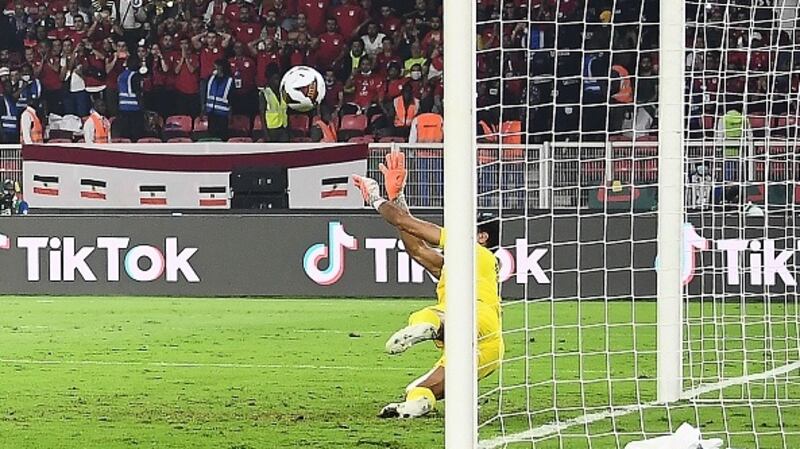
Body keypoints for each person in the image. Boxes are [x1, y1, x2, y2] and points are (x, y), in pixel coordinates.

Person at [352, 151, 504, 418]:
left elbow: (404, 222)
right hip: (490, 346)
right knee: (419, 389)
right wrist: (398, 197)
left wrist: (376, 197)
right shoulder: (465, 265)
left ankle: (429, 327)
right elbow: (417, 249)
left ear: (482, 236)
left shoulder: (475, 251)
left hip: (473, 318)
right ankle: (415, 405)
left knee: (427, 315)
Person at [116, 55, 144, 141]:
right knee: (135, 136)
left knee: (125, 135)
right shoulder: (135, 75)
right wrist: (142, 107)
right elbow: (138, 92)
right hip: (134, 109)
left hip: (122, 108)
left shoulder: (121, 76)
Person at [204, 59, 234, 141]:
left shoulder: (229, 81)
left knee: (222, 138)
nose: (214, 68)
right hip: (211, 113)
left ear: (221, 67)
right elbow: (206, 95)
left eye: (216, 66)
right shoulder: (210, 79)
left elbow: (232, 99)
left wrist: (230, 115)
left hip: (223, 115)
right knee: (211, 138)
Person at [258, 69, 289, 142]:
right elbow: (262, 115)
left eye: (278, 79)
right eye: (275, 79)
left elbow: (286, 111)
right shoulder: (265, 94)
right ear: (269, 79)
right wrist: (266, 135)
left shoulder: (283, 93)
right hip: (271, 130)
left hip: (283, 128)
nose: (277, 81)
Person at [0, 67, 18, 143]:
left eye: (10, 86)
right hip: (5, 133)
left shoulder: (12, 100)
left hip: (14, 132)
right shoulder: (1, 99)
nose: (10, 88)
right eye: (7, 87)